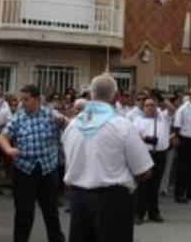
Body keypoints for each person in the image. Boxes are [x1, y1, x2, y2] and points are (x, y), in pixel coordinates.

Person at [63, 73, 153, 242]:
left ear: (90, 95)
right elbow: (144, 172)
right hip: (112, 202)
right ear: (116, 96)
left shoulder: (73, 126)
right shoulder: (122, 125)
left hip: (79, 200)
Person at [0, 84, 67, 242]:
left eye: (26, 99)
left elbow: (69, 127)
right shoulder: (18, 117)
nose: (22, 103)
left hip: (47, 170)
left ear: (37, 99)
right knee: (23, 213)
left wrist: (62, 120)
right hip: (24, 171)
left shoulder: (50, 114)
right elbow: (3, 137)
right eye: (21, 99)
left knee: (51, 212)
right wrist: (8, 149)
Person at [131, 96, 172, 224]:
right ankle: (139, 213)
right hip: (145, 154)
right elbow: (132, 135)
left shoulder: (163, 118)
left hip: (159, 154)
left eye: (152, 105)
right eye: (146, 105)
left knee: (155, 185)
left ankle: (154, 212)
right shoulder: (138, 120)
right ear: (143, 108)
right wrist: (145, 139)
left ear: (157, 107)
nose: (149, 107)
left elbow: (172, 109)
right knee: (142, 185)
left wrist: (161, 97)